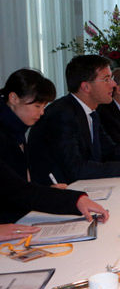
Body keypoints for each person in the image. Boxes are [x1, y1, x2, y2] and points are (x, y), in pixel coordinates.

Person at [27, 55, 120, 185]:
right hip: (60, 193)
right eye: (106, 79)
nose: (113, 84)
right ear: (86, 86)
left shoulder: (91, 112)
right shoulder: (62, 114)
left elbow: (111, 150)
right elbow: (76, 168)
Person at [0, 68, 110, 234]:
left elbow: (17, 182)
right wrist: (75, 200)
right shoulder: (7, 132)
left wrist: (48, 190)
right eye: (37, 105)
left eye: (44, 106)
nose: (42, 112)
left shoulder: (15, 129)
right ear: (13, 98)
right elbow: (15, 189)